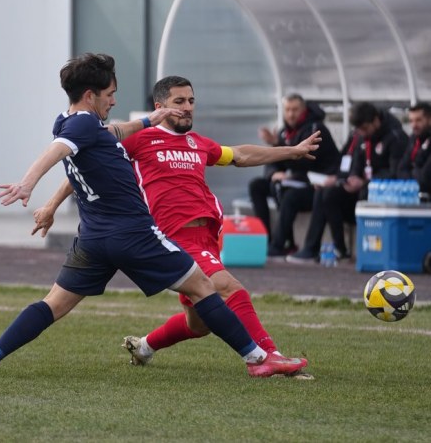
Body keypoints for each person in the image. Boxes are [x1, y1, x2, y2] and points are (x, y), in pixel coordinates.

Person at [0, 53, 307, 378]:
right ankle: (259, 359)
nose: (114, 100)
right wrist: (28, 184)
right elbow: (56, 150)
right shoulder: (81, 126)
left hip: (93, 239)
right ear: (90, 95)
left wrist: (151, 119)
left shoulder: (74, 123)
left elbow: (112, 132)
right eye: (110, 94)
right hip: (133, 234)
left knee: (53, 305)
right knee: (205, 287)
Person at [30, 76, 319, 378]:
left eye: (191, 101)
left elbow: (241, 155)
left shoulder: (198, 143)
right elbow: (86, 165)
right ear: (160, 107)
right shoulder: (140, 138)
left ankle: (144, 346)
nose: (187, 107)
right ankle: (269, 356)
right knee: (230, 289)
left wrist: (292, 151)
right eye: (179, 101)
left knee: (200, 324)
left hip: (207, 238)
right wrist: (51, 205)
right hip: (174, 236)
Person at [248, 94, 340, 257]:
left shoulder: (316, 130)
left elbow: (305, 162)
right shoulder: (284, 132)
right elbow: (273, 160)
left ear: (304, 110)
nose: (291, 114)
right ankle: (265, 240)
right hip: (294, 181)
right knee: (256, 186)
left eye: (295, 110)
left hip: (316, 185)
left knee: (290, 196)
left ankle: (279, 245)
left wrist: (277, 144)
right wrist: (274, 173)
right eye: (288, 110)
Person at [286, 130, 361, 264]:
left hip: (362, 194)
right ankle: (314, 248)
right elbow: (341, 163)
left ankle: (335, 249)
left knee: (328, 194)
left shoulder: (384, 136)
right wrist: (333, 179)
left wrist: (343, 180)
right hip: (345, 186)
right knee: (322, 191)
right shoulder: (354, 136)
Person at [397, 102, 431, 196]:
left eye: (418, 120)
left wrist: (413, 170)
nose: (414, 125)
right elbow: (400, 170)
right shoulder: (414, 139)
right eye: (411, 121)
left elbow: (425, 178)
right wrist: (416, 172)